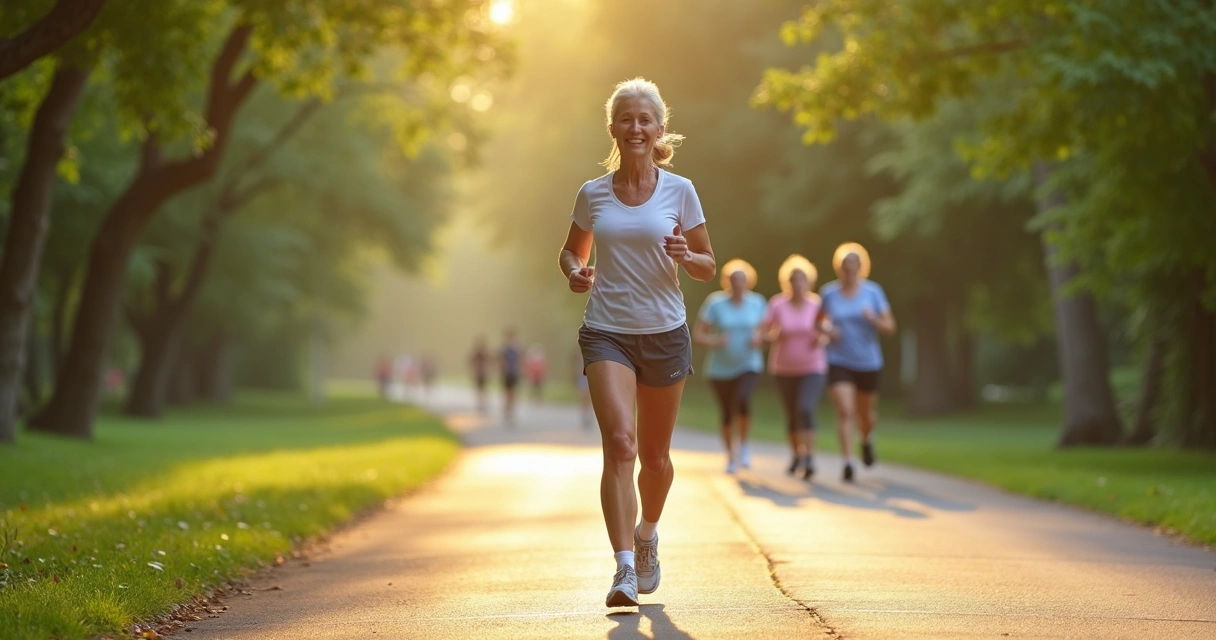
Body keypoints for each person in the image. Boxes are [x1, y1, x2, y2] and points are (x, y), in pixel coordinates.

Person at [559, 78, 715, 608]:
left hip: (665, 333)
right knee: (621, 445)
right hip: (607, 332)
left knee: (655, 458)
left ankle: (647, 534)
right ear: (613, 130)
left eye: (645, 119)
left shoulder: (681, 190)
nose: (636, 127)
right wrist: (577, 272)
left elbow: (707, 265)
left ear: (659, 129)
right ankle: (624, 568)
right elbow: (570, 253)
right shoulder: (592, 193)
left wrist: (684, 255)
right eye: (626, 119)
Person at [821, 242, 896, 482]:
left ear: (861, 267)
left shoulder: (873, 292)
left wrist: (873, 318)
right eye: (845, 266)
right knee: (845, 411)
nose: (849, 270)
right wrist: (828, 330)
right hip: (838, 359)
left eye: (853, 265)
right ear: (839, 268)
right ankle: (847, 462)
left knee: (866, 414)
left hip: (868, 361)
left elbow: (890, 327)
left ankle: (866, 440)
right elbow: (818, 322)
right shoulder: (828, 293)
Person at [692, 259, 766, 474]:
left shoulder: (758, 303)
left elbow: (767, 331)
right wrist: (716, 341)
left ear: (748, 281)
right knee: (726, 412)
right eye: (733, 280)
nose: (737, 284)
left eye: (742, 279)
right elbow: (698, 335)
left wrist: (759, 338)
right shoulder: (715, 303)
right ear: (727, 282)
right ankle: (730, 455)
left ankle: (743, 445)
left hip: (749, 363)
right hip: (720, 369)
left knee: (742, 400)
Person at [759, 254, 828, 481]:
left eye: (801, 279)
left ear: (809, 281)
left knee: (805, 408)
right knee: (791, 414)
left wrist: (822, 338)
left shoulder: (817, 304)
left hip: (812, 366)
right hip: (783, 368)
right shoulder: (777, 304)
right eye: (792, 279)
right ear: (786, 282)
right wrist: (772, 335)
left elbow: (827, 329)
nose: (797, 283)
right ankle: (796, 454)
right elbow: (763, 333)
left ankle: (809, 457)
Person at [499, 328, 522, 426]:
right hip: (507, 374)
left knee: (514, 395)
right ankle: (507, 412)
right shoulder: (504, 350)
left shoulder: (516, 349)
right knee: (508, 394)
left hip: (514, 374)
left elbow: (520, 361)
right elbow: (501, 361)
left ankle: (511, 412)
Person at [572, 349, 594, 429]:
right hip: (582, 377)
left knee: (589, 396)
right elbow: (577, 368)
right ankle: (585, 415)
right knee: (583, 396)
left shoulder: (592, 351)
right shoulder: (579, 355)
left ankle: (589, 414)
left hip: (589, 376)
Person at [469, 336, 490, 413]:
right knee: (479, 388)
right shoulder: (476, 353)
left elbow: (489, 361)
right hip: (478, 373)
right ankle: (480, 401)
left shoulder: (485, 353)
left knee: (483, 387)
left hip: (484, 373)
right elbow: (471, 361)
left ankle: (483, 401)